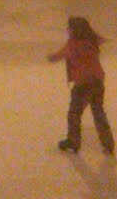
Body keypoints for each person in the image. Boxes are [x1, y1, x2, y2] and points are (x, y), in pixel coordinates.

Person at [47, 16, 113, 157]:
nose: (67, 30)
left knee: (74, 113)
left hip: (83, 84)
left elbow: (59, 56)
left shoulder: (74, 44)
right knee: (98, 112)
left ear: (74, 30)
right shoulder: (92, 41)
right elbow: (101, 40)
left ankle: (73, 140)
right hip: (98, 81)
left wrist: (51, 57)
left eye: (69, 28)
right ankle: (108, 142)